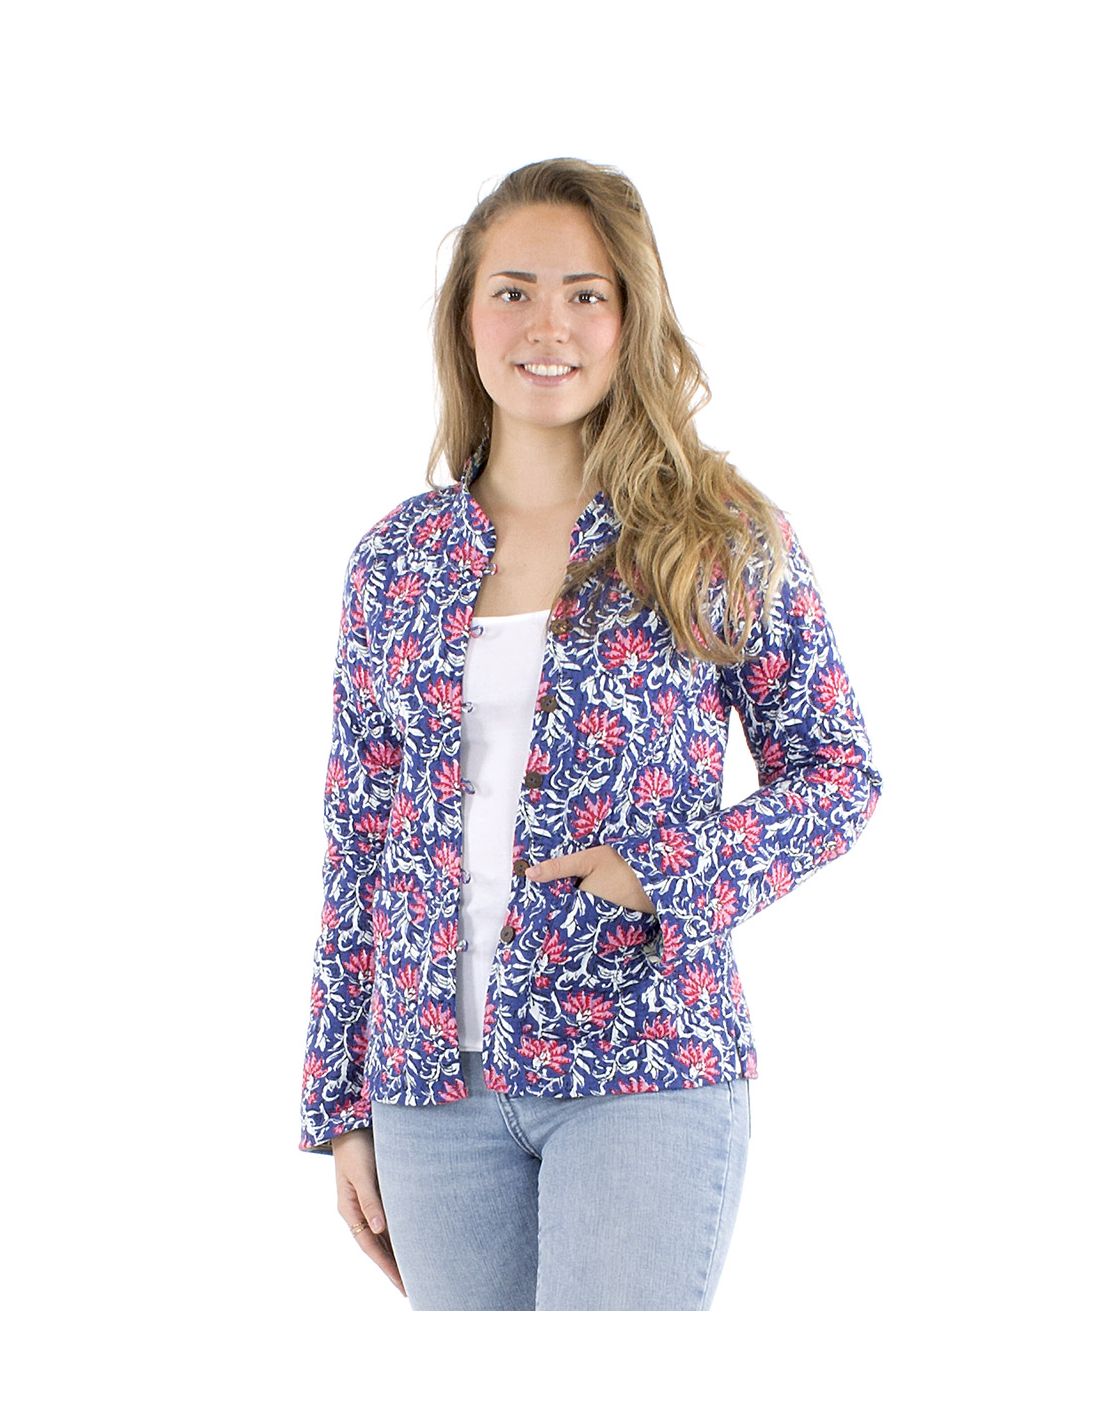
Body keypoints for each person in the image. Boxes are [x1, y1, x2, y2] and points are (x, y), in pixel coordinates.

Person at [298, 157, 883, 1310]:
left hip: (642, 1063)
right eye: (511, 291)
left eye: (584, 293)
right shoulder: (395, 560)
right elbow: (360, 838)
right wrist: (342, 1105)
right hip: (425, 1089)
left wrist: (666, 873)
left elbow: (835, 773)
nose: (546, 325)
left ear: (629, 320)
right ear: (464, 319)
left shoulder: (715, 534)